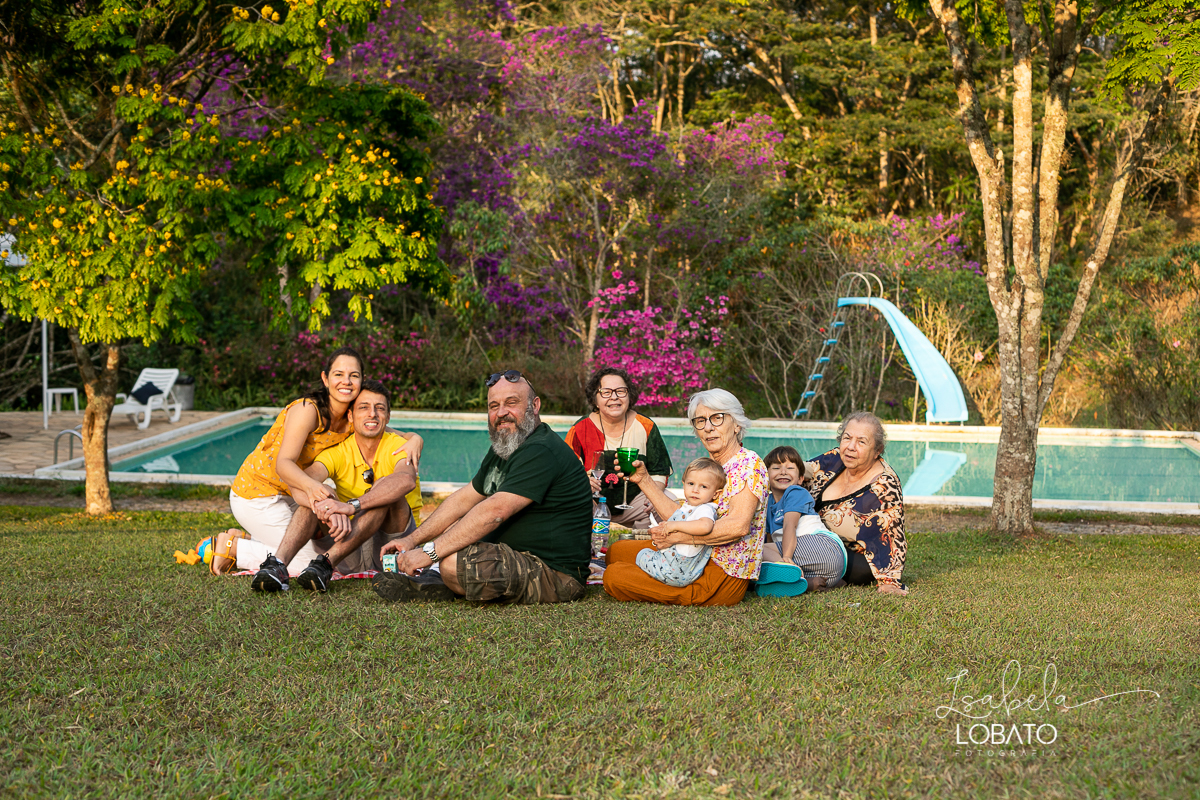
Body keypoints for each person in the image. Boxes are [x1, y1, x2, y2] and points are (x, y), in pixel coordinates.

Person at [371, 369, 592, 605]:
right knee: (457, 533)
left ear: (535, 405)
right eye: (493, 406)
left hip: (553, 574)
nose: (501, 413)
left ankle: (442, 580)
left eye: (512, 403)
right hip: (514, 557)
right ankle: (442, 581)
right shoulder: (506, 445)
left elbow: (495, 511)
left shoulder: (541, 449)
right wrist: (411, 540)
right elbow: (464, 499)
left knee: (450, 562)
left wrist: (429, 552)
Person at [208, 347, 423, 576]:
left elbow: (389, 431)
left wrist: (416, 439)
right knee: (312, 562)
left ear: (362, 380)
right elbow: (284, 465)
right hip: (258, 495)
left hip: (293, 491)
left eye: (354, 375)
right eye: (338, 374)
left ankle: (251, 538)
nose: (346, 381)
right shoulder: (308, 409)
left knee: (321, 544)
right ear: (325, 378)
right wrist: (320, 495)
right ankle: (234, 548)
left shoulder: (351, 419)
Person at [249, 380, 421, 592]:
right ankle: (277, 565)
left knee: (383, 490)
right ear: (350, 416)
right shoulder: (338, 451)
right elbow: (301, 482)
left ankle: (325, 564)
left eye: (380, 408)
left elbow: (406, 480)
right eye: (364, 407)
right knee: (315, 494)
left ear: (387, 417)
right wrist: (327, 503)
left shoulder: (400, 446)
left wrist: (353, 506)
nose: (372, 414)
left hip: (393, 548)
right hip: (351, 545)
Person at [603, 388, 766, 606]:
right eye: (700, 421)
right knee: (615, 552)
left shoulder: (749, 464)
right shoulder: (711, 467)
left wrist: (679, 537)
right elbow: (682, 517)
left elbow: (738, 526)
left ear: (736, 424)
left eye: (717, 418)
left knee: (614, 577)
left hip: (718, 575)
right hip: (686, 557)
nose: (708, 428)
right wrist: (643, 479)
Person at [804, 411, 908, 596]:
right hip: (809, 538)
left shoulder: (884, 486)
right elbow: (797, 469)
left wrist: (889, 581)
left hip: (849, 557)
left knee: (792, 551)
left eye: (861, 442)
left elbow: (893, 537)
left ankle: (794, 574)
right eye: (847, 438)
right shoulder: (834, 459)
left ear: (877, 451)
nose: (851, 447)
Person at [564, 368, 673, 527]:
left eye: (621, 391)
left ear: (629, 395)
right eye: (606, 392)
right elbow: (564, 475)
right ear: (595, 399)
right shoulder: (580, 429)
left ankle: (645, 545)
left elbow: (659, 472)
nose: (614, 397)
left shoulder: (646, 426)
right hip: (593, 507)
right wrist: (582, 482)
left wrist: (653, 496)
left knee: (670, 502)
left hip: (636, 504)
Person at [758, 445, 847, 594]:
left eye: (790, 468)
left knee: (756, 550)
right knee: (761, 561)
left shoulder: (795, 492)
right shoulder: (768, 504)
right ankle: (806, 584)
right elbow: (768, 540)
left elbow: (789, 526)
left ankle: (784, 569)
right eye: (776, 468)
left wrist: (785, 558)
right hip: (819, 571)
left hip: (824, 547)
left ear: (800, 479)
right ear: (765, 476)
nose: (783, 472)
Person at [634, 457, 724, 588]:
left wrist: (674, 525)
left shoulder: (705, 509)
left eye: (703, 486)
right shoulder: (689, 507)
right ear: (684, 484)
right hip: (676, 565)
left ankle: (651, 581)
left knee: (641, 555)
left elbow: (705, 526)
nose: (695, 490)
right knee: (642, 553)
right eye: (691, 484)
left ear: (716, 494)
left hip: (677, 569)